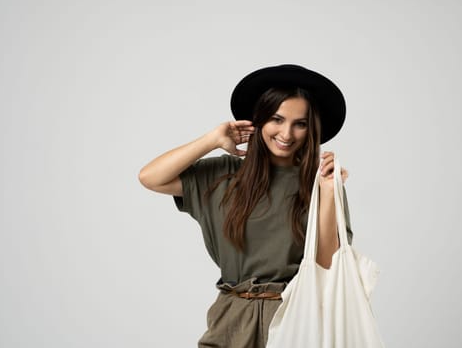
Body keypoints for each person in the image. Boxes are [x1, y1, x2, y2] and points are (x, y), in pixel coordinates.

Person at [138, 64, 353, 348]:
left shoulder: (320, 183)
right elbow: (150, 177)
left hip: (296, 320)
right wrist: (212, 140)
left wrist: (327, 192)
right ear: (259, 120)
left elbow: (328, 266)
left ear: (311, 129)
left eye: (299, 123)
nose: (287, 134)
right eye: (277, 119)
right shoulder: (222, 176)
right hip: (231, 320)